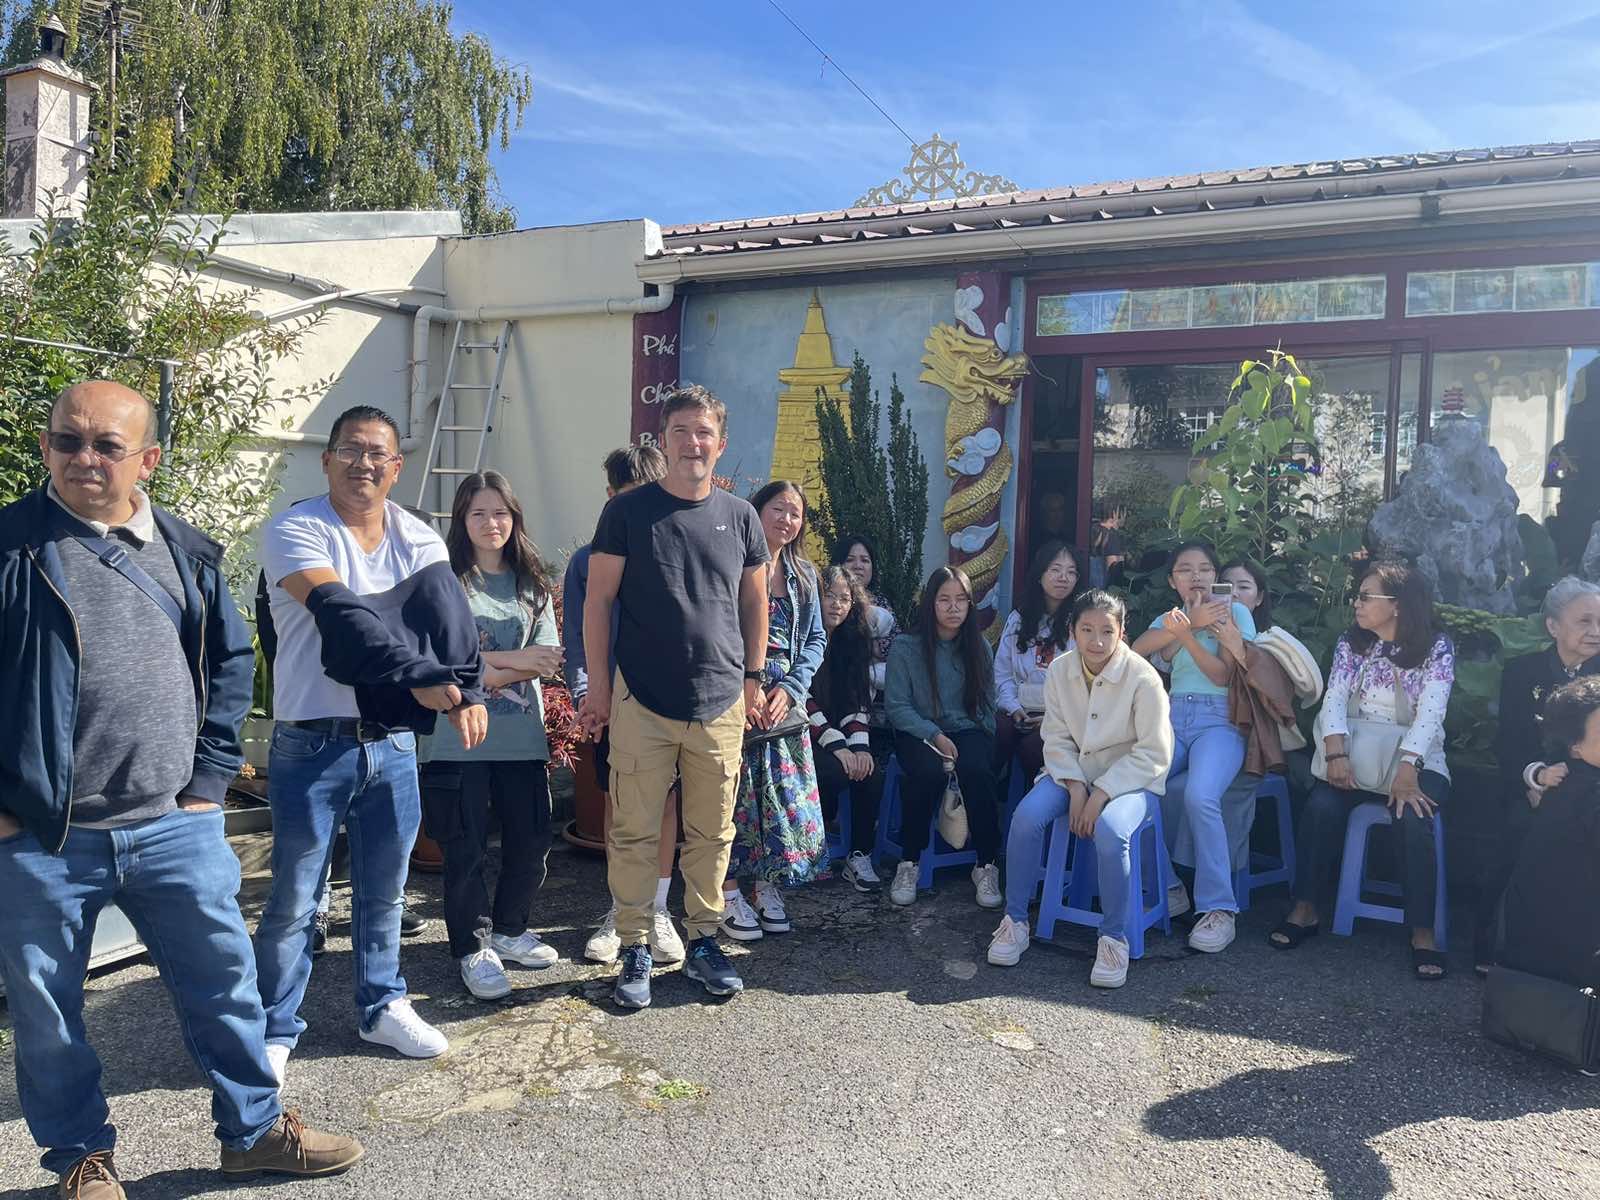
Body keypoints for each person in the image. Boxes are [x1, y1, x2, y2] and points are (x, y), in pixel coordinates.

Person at [0, 381, 362, 1198]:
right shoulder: (10, 547)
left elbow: (230, 664)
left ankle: (255, 1132)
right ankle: (81, 1160)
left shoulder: (186, 550)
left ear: (148, 460)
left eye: (107, 445)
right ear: (47, 445)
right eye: (67, 440)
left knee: (226, 987)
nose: (84, 458)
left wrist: (207, 782)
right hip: (44, 837)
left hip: (174, 825)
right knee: (48, 1014)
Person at [254, 404, 488, 1075]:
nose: (364, 463)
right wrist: (421, 677)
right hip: (312, 743)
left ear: (396, 467)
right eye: (351, 450)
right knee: (297, 898)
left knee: (386, 890)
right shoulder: (296, 530)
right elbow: (345, 619)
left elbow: (451, 623)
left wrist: (468, 687)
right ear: (327, 459)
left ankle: (382, 1004)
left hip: (393, 746)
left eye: (377, 453)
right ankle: (273, 1024)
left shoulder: (416, 535)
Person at [578, 385, 769, 1009]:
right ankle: (635, 944)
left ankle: (705, 940)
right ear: (663, 442)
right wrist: (600, 685)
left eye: (703, 432)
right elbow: (597, 601)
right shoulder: (628, 513)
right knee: (633, 831)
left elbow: (754, 602)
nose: (692, 443)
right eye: (680, 431)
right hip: (642, 698)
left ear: (721, 444)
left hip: (720, 698)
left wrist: (753, 677)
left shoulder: (741, 517)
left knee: (712, 832)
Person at [1270, 561, 1455, 980]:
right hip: (1354, 753)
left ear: (1398, 604)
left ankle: (1422, 931)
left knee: (1414, 817)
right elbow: (1334, 698)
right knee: (1321, 807)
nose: (1357, 603)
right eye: (1358, 595)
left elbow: (1432, 713)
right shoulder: (1352, 643)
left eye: (1367, 596)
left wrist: (1409, 766)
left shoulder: (1436, 648)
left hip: (1415, 757)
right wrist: (1336, 754)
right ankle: (1305, 908)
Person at [419, 472, 566, 1000]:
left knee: (531, 840)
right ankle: (473, 947)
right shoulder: (445, 582)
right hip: (457, 738)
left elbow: (547, 660)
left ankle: (508, 930)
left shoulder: (532, 586)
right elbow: (440, 661)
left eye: (500, 512)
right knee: (466, 849)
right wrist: (513, 661)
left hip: (522, 740)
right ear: (462, 519)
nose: (490, 523)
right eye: (478, 513)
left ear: (514, 518)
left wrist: (482, 666)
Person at [988, 591, 1174, 986]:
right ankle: (1015, 921)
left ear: (1122, 632)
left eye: (1107, 631)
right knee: (1025, 817)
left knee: (1111, 831)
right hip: (1072, 772)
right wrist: (1075, 788)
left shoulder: (1143, 678)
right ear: (1072, 631)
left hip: (1131, 781)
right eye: (1087, 629)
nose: (1097, 641)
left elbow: (1154, 752)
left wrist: (1102, 793)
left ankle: (1113, 937)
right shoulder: (1060, 670)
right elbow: (1055, 738)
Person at [563, 444, 684, 966]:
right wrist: (588, 695)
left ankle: (659, 909)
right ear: (610, 497)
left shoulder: (680, 549)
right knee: (620, 805)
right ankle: (622, 910)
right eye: (624, 497)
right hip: (614, 703)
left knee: (667, 804)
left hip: (672, 701)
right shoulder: (587, 561)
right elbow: (576, 635)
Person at [1130, 541, 1256, 954]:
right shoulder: (1170, 617)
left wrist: (1187, 635)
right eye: (1185, 569)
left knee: (1201, 796)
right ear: (1173, 581)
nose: (1196, 576)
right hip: (1172, 716)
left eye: (1205, 568)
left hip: (1220, 720)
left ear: (1216, 575)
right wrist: (1184, 625)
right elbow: (1135, 651)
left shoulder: (1235, 613)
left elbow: (1222, 676)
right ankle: (1168, 887)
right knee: (1137, 788)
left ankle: (1219, 908)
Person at [721, 481, 831, 939]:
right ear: (756, 511)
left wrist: (791, 687)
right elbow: (719, 631)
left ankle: (768, 887)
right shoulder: (731, 564)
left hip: (784, 704)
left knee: (781, 802)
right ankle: (728, 892)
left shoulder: (804, 575)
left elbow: (816, 639)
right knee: (734, 802)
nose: (786, 520)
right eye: (778, 509)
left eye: (795, 513)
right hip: (736, 697)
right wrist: (747, 688)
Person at [1477, 576, 1600, 972]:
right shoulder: (1522, 672)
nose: (1595, 631)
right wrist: (1536, 777)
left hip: (1589, 786)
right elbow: (1509, 741)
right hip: (1529, 783)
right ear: (1553, 626)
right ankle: (1491, 943)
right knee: (1515, 831)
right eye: (1584, 621)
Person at [883, 565, 1003, 909]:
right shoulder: (906, 647)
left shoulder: (979, 647)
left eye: (961, 600)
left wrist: (980, 738)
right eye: (944, 599)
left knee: (978, 771)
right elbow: (897, 706)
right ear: (930, 603)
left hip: (967, 729)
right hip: (918, 731)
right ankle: (909, 862)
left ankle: (986, 864)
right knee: (926, 772)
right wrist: (934, 735)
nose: (953, 607)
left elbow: (987, 705)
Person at [1497, 675, 1600, 989]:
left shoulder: (1563, 781)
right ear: (1575, 745)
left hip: (1527, 958)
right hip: (1573, 963)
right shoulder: (1589, 792)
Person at [811, 565, 885, 891]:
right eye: (829, 596)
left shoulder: (852, 641)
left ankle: (859, 856)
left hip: (837, 734)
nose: (837, 605)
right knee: (834, 771)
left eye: (844, 598)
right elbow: (801, 701)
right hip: (801, 731)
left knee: (870, 772)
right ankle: (812, 846)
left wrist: (859, 747)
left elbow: (856, 701)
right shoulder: (801, 637)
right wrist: (837, 745)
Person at [993, 540, 1085, 784]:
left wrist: (1052, 718)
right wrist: (1013, 708)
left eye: (1071, 572)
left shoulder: (1083, 624)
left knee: (1034, 748)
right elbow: (1002, 673)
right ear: (1040, 574)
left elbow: (1085, 684)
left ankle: (1032, 803)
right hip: (1018, 707)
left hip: (1061, 715)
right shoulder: (1018, 619)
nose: (1063, 578)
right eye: (1055, 569)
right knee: (996, 732)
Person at [832, 532, 899, 693]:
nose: (858, 566)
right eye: (850, 559)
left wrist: (875, 648)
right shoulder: (826, 600)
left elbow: (896, 648)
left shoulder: (881, 603)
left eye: (865, 560)